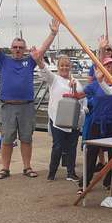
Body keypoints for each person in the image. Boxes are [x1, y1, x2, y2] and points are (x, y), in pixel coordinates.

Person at [0, 13, 58, 180]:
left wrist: (53, 33)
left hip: (26, 106)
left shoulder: (30, 61)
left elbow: (43, 48)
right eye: (15, 47)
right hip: (7, 106)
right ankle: (5, 168)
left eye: (21, 47)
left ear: (25, 49)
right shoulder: (3, 60)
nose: (17, 50)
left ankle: (27, 167)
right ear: (10, 48)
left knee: (26, 138)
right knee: (7, 139)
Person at [33, 52, 84, 182]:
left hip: (73, 120)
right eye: (62, 65)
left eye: (67, 65)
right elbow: (44, 70)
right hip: (57, 120)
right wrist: (38, 59)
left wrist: (83, 109)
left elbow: (83, 99)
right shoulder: (54, 79)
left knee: (72, 146)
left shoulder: (76, 82)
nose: (64, 68)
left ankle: (71, 172)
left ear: (70, 66)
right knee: (57, 146)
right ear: (58, 66)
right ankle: (52, 172)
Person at [79, 37, 112, 191]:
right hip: (97, 123)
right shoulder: (95, 84)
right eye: (107, 66)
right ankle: (84, 183)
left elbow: (110, 93)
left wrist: (102, 50)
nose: (109, 69)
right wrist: (71, 89)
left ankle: (108, 182)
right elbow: (80, 95)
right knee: (91, 154)